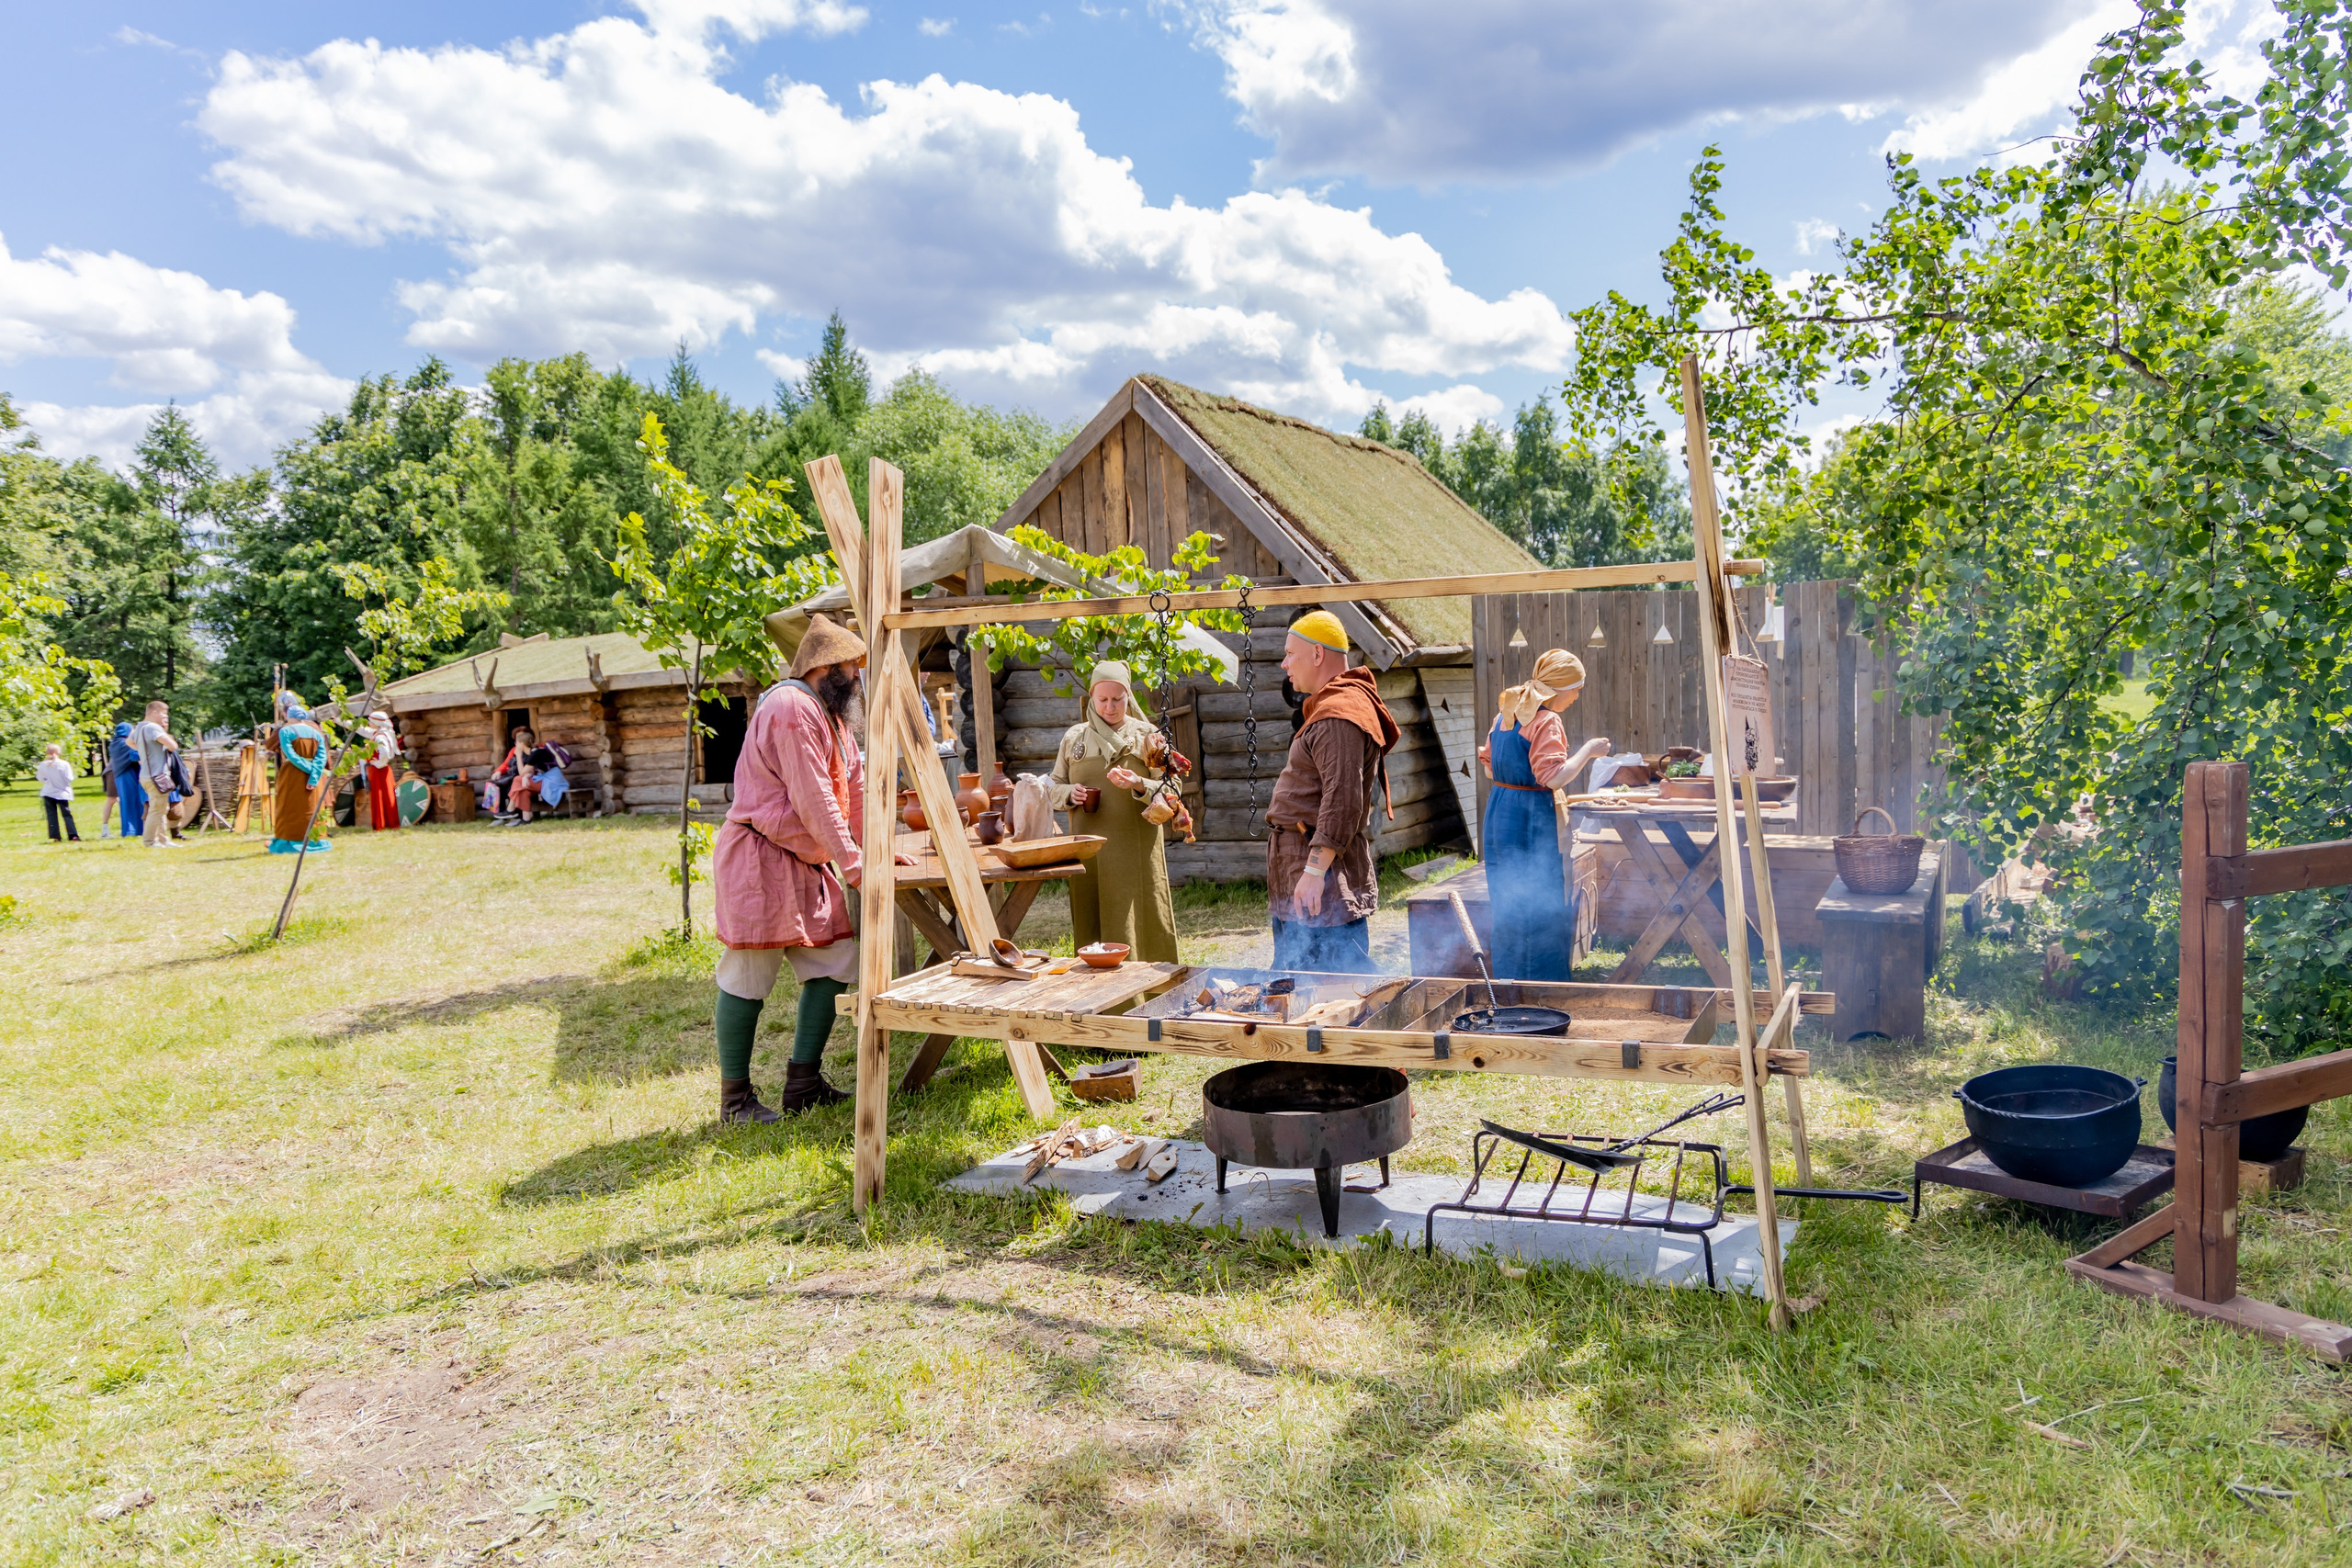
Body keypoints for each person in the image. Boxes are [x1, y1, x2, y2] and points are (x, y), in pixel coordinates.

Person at [709, 614, 911, 1122]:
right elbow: (814, 796)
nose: (858, 676)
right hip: (759, 857)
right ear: (826, 666)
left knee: (834, 962)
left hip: (805, 860)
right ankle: (735, 1101)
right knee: (749, 973)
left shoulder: (834, 718)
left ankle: (803, 1084)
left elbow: (855, 791)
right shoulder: (791, 707)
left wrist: (875, 850)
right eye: (851, 666)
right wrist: (853, 864)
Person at [1264, 611, 1399, 973]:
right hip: (1302, 866)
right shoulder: (1332, 706)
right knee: (1297, 981)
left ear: (1317, 654)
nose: (1284, 664)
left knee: (1334, 985)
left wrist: (1313, 872)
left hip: (1322, 876)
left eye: (1290, 654)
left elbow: (1342, 800)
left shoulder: (1339, 714)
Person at [1478, 649, 1611, 981]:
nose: (1577, 696)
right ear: (1559, 688)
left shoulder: (1506, 713)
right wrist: (1589, 751)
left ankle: (1508, 984)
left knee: (1508, 899)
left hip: (1500, 812)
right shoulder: (1547, 720)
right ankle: (1542, 987)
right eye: (1576, 689)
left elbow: (1489, 769)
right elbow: (1552, 777)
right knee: (1541, 898)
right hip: (1530, 818)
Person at [1046, 660, 1182, 962]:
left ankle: (1148, 984)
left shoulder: (1148, 735)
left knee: (1138, 921)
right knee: (1092, 922)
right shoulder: (1074, 738)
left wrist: (1139, 784)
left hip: (1134, 851)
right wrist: (1070, 793)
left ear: (1128, 697)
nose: (1110, 707)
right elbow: (1053, 786)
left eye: (1117, 699)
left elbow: (1173, 789)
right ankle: (1096, 987)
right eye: (1103, 699)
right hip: (1089, 853)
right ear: (1092, 698)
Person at [269, 699, 334, 854]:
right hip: (314, 776)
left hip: (293, 774)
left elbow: (291, 755)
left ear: (289, 716)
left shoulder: (285, 731)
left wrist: (308, 769)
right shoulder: (316, 732)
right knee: (313, 806)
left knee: (290, 806)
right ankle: (315, 839)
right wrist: (314, 774)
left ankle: (290, 840)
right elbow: (321, 757)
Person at [129, 701, 179, 849]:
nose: (165, 717)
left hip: (146, 775)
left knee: (161, 808)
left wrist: (144, 752)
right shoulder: (152, 727)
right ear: (154, 712)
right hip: (156, 775)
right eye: (163, 714)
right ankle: (150, 841)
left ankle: (163, 840)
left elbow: (129, 742)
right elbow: (173, 746)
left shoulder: (139, 727)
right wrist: (165, 734)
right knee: (157, 810)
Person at [364, 711, 402, 831]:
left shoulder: (380, 737)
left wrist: (378, 763)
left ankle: (385, 823)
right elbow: (360, 729)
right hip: (380, 770)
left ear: (376, 722)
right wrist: (340, 721)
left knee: (382, 795)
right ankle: (384, 822)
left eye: (371, 721)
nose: (369, 723)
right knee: (384, 795)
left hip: (380, 771)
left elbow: (385, 753)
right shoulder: (377, 733)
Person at [109, 720, 146, 841]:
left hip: (121, 776)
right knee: (133, 801)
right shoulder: (124, 743)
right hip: (128, 775)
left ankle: (131, 829)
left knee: (127, 802)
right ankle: (133, 830)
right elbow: (135, 754)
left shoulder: (115, 743)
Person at [36, 743, 81, 842]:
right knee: (67, 814)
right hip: (62, 792)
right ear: (59, 752)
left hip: (48, 792)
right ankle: (73, 835)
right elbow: (69, 778)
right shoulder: (64, 764)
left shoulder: (43, 765)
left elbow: (40, 778)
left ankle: (55, 836)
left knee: (51, 815)